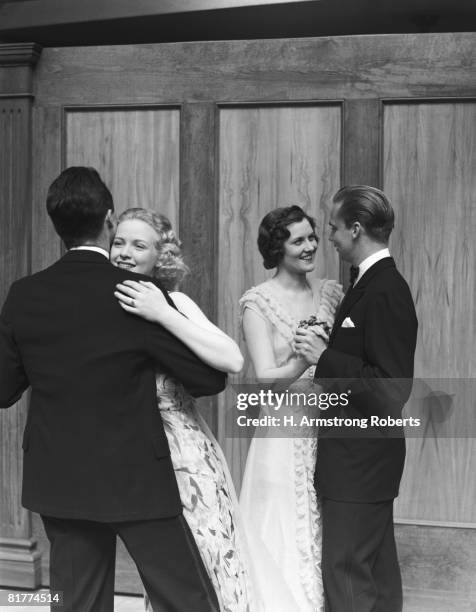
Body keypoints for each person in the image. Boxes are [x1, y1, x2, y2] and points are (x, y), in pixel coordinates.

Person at [0, 167, 227, 612]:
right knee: (187, 602)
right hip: (136, 477)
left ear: (57, 226)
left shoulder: (24, 295)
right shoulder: (135, 292)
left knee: (75, 604)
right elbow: (209, 379)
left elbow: (4, 389)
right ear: (108, 220)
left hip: (59, 478)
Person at [111, 207, 255, 612]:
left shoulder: (175, 301)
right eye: (118, 242)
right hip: (138, 457)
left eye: (138, 245)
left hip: (188, 456)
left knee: (213, 555)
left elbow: (233, 360)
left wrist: (161, 313)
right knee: (167, 574)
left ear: (161, 254)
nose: (124, 252)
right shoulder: (104, 303)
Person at [312, 185, 418, 612]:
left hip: (362, 459)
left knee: (347, 570)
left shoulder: (386, 289)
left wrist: (324, 358)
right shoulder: (366, 284)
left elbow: (393, 389)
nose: (330, 238)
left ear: (356, 229)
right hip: (361, 457)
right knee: (376, 574)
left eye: (334, 228)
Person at [239, 205, 343, 611]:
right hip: (283, 432)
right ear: (276, 248)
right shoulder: (258, 303)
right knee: (284, 524)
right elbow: (265, 380)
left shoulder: (332, 293)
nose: (310, 246)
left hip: (328, 424)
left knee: (325, 522)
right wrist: (306, 357)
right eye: (298, 240)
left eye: (312, 237)